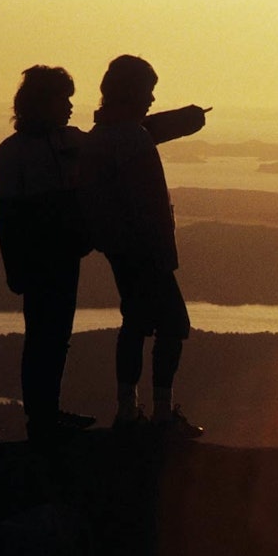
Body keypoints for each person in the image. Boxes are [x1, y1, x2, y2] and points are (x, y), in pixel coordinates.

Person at [78, 54, 209, 438]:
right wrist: (162, 252)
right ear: (132, 92)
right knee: (174, 325)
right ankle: (163, 416)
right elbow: (147, 200)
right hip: (146, 250)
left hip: (120, 248)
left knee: (135, 323)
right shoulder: (132, 138)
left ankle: (127, 411)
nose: (152, 99)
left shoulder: (100, 135)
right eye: (148, 92)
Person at [0, 65, 96, 446]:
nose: (70, 106)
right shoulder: (12, 152)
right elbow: (5, 215)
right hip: (39, 259)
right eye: (63, 99)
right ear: (41, 102)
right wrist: (15, 269)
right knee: (43, 338)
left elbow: (121, 140)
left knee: (56, 337)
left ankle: (47, 413)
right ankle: (42, 420)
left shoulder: (69, 141)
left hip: (65, 254)